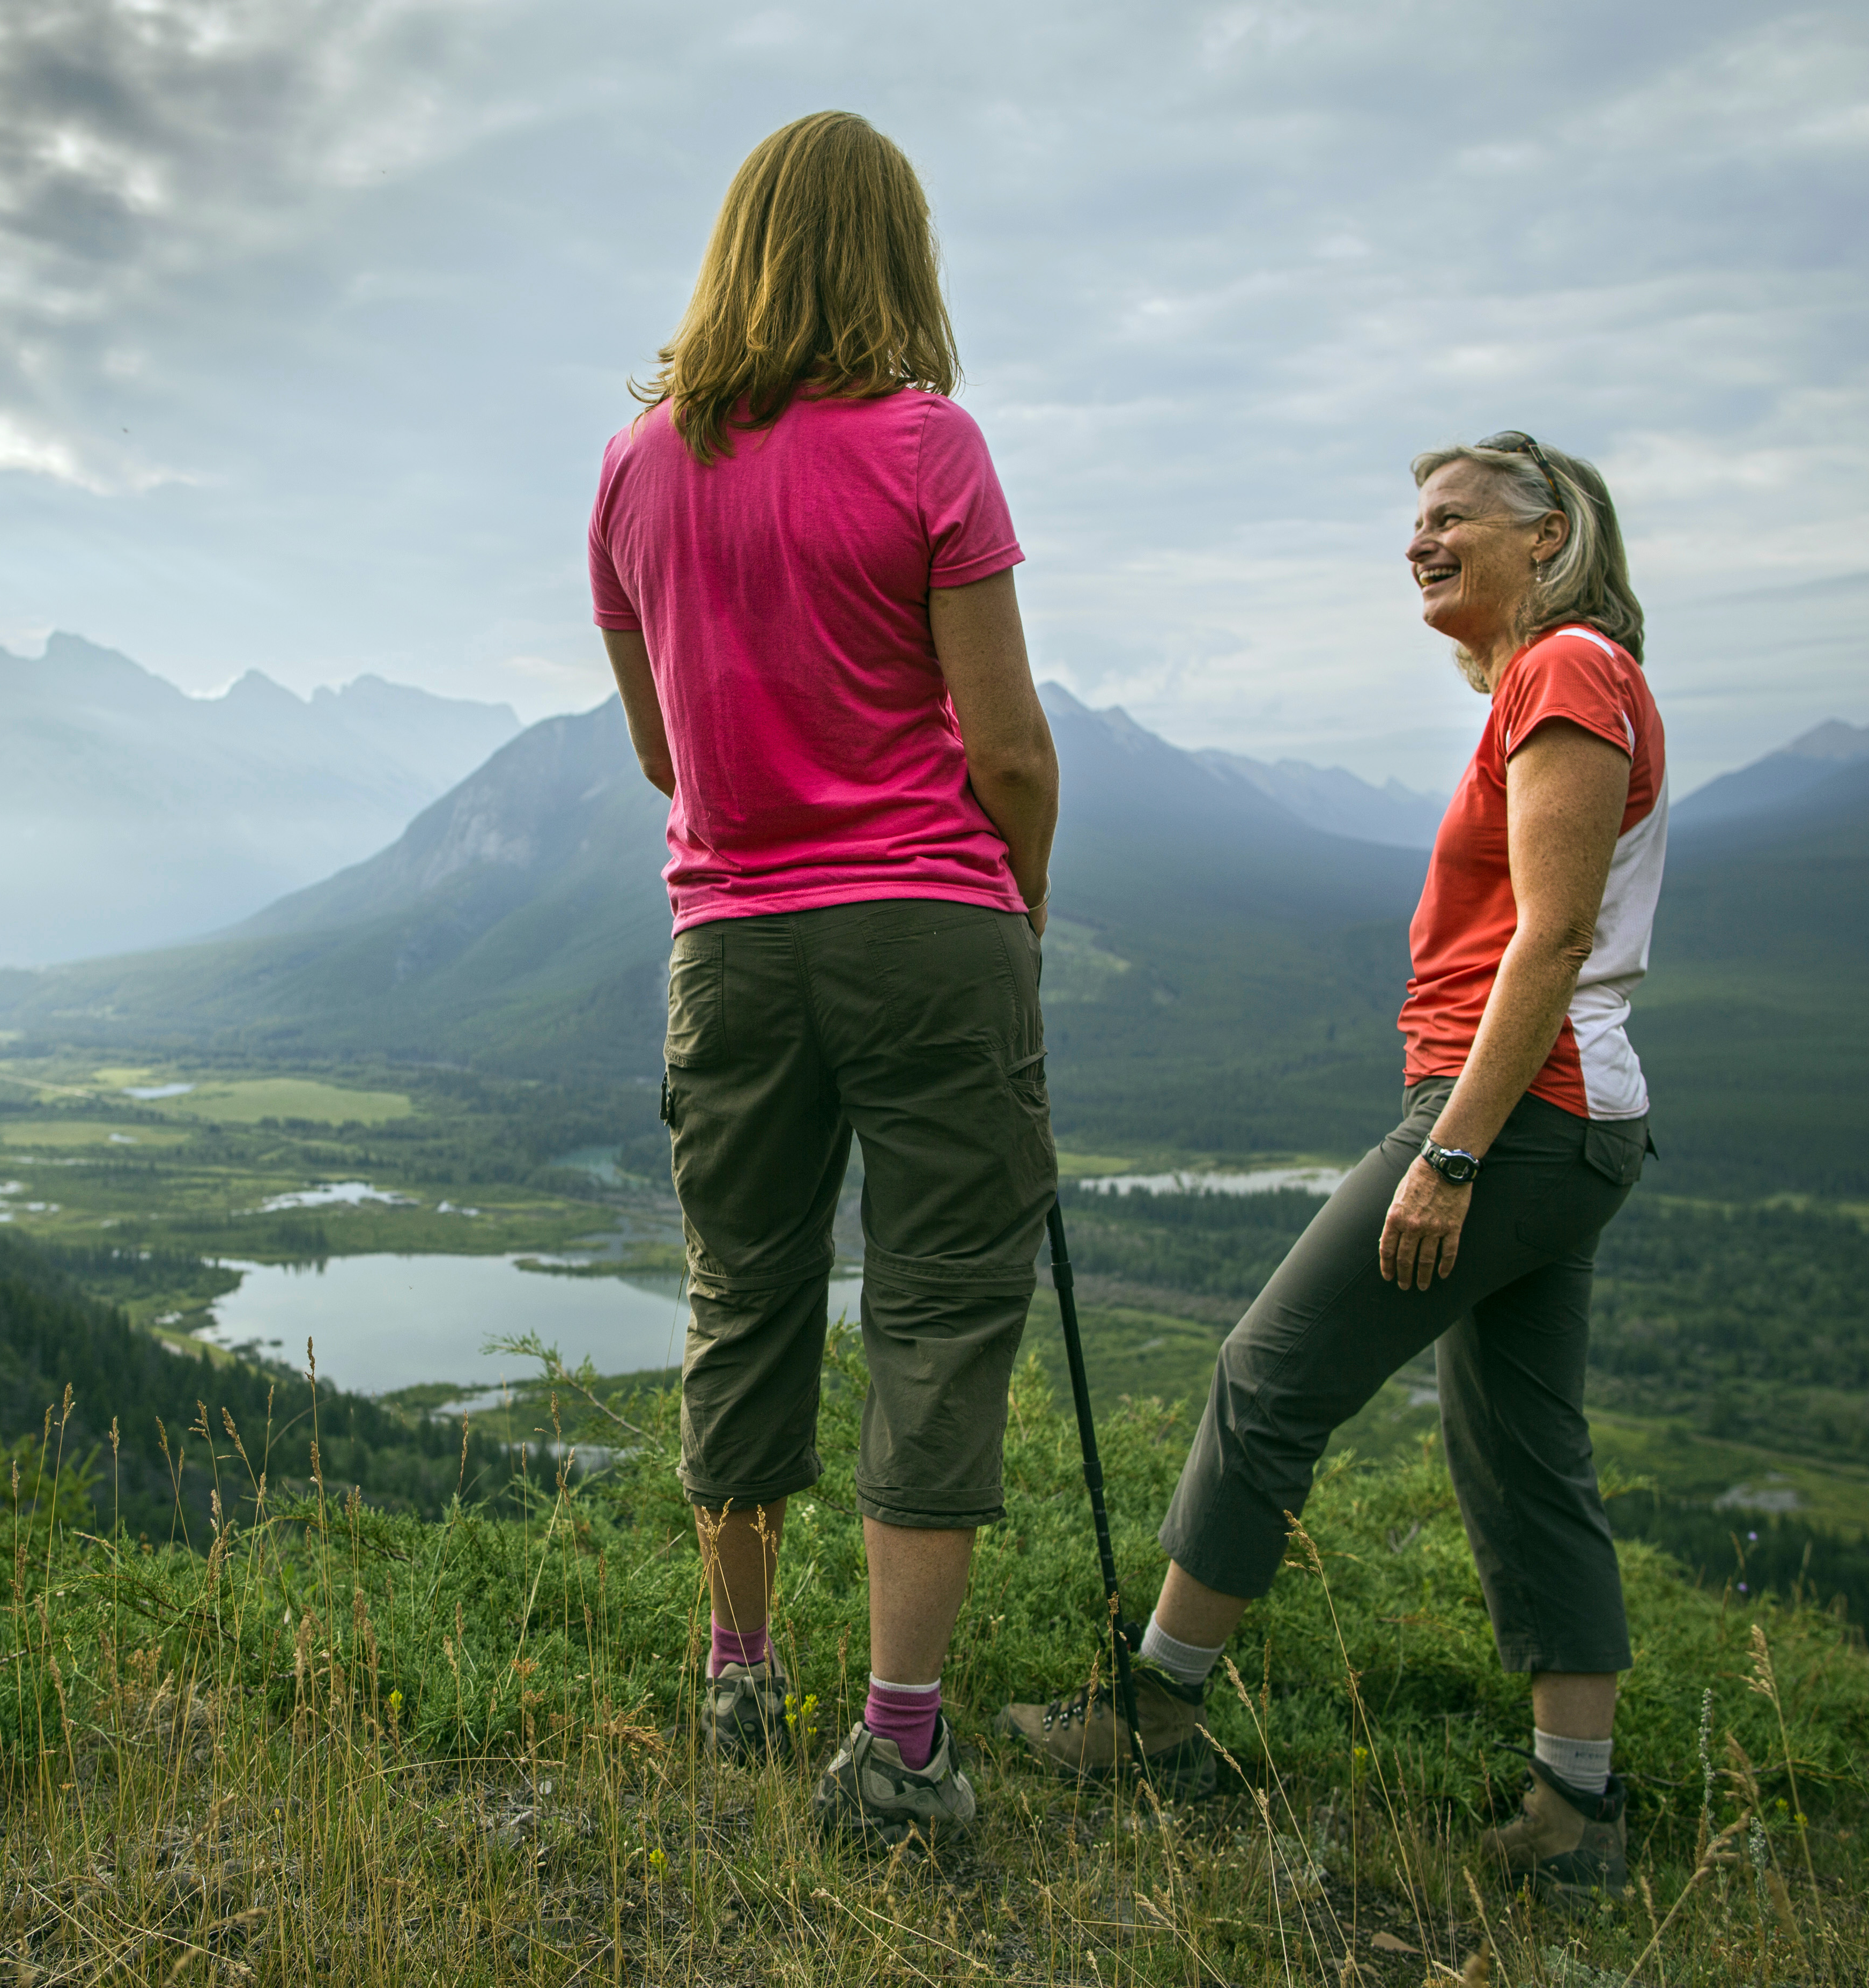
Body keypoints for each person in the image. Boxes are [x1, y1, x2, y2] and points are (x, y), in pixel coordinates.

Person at [996, 432, 1666, 1905]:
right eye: (1409, 524)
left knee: (1265, 1374)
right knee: (1522, 1445)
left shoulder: (1562, 670)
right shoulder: (1562, 678)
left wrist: (1447, 1152)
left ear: (1545, 535)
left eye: (1449, 521)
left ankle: (1156, 1713)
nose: (1417, 544)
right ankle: (1575, 1803)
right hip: (1567, 1120)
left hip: (1513, 1115)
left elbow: (1545, 940)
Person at [587, 110, 1061, 1850]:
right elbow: (1007, 751)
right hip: (928, 923)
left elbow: (662, 754)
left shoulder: (633, 471)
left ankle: (734, 1667)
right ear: (899, 254)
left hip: (727, 938)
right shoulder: (932, 447)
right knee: (933, 1308)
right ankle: (901, 1740)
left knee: (744, 1290)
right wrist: (1017, 923)